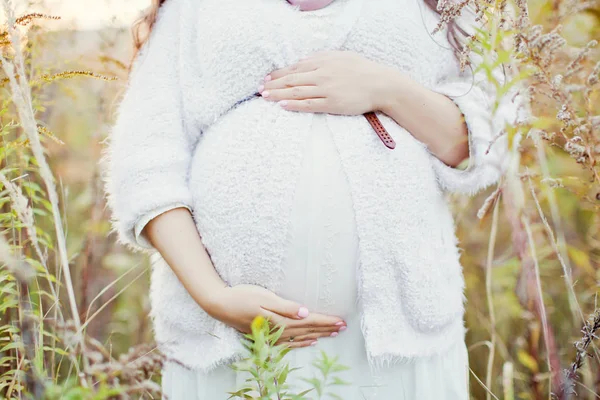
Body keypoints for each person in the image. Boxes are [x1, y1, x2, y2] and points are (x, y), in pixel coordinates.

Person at [101, 0, 525, 398]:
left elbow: (489, 141)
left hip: (392, 348)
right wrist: (215, 297)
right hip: (231, 342)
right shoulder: (193, 9)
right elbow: (145, 163)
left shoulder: (436, 8)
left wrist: (387, 88)